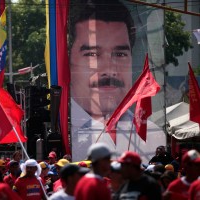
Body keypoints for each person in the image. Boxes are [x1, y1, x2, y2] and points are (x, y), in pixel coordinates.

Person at [70, 0, 166, 163]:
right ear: (69, 60)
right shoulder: (66, 133)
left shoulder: (152, 135)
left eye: (120, 55)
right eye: (92, 55)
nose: (109, 69)